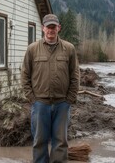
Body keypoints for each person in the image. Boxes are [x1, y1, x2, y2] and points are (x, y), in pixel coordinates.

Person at [21, 13, 79, 163]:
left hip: (62, 104)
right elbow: (25, 76)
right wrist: (32, 99)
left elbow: (75, 76)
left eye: (54, 27)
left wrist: (69, 99)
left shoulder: (69, 49)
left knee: (60, 142)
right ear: (43, 28)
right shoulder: (32, 49)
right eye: (48, 27)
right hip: (40, 104)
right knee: (39, 141)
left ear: (58, 28)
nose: (51, 30)